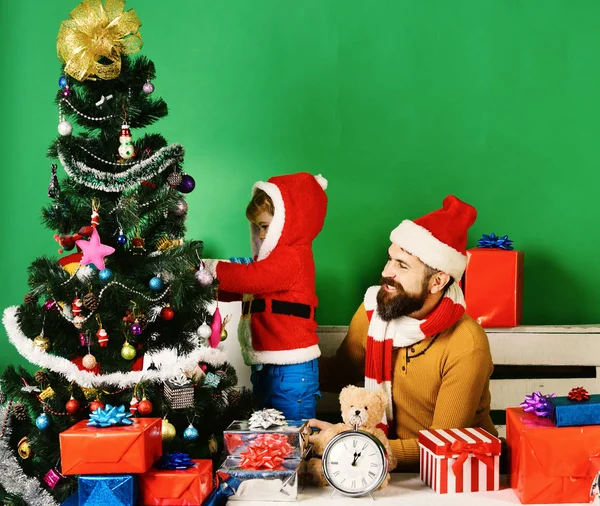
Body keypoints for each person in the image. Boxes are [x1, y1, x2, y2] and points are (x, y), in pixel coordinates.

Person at [311, 195, 497, 471]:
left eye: (402, 265)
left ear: (437, 281)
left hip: (458, 473)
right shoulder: (374, 313)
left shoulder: (466, 344)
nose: (386, 272)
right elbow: (341, 373)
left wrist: (349, 442)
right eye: (390, 259)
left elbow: (444, 445)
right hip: (377, 464)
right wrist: (284, 358)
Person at [207, 172, 328, 420]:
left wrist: (209, 269)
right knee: (267, 436)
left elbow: (250, 278)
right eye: (256, 228)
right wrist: (202, 284)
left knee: (294, 437)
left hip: (292, 371)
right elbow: (245, 289)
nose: (261, 235)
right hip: (266, 367)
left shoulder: (293, 257)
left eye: (265, 227)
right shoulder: (269, 263)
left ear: (287, 224)